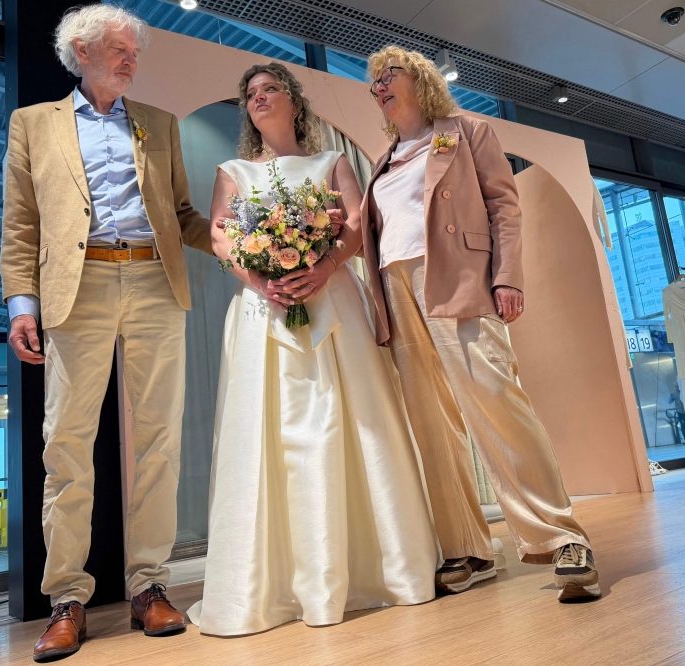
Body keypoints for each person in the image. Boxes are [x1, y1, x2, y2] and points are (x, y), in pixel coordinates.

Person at [186, 62, 438, 636]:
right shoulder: (232, 171)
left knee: (349, 421)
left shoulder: (332, 163)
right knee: (268, 432)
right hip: (263, 307)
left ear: (294, 101)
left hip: (332, 302)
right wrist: (261, 277)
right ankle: (273, 582)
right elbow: (222, 234)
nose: (258, 98)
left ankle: (379, 567)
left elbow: (353, 226)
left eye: (270, 88)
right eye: (249, 93)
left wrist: (320, 266)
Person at [0, 6, 212, 661]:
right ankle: (67, 599)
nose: (131, 61)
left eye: (134, 52)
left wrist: (244, 245)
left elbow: (181, 215)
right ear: (82, 51)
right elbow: (20, 225)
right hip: (77, 289)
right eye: (120, 50)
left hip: (153, 281)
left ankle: (149, 586)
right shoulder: (33, 124)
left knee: (159, 444)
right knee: (65, 446)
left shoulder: (159, 124)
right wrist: (19, 305)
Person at [361, 46, 601, 602]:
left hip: (459, 278)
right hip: (398, 292)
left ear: (418, 79)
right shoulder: (385, 157)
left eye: (387, 75)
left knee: (496, 400)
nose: (378, 87)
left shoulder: (467, 132)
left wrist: (507, 277)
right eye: (373, 82)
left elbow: (503, 207)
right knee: (431, 423)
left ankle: (562, 536)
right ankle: (466, 546)